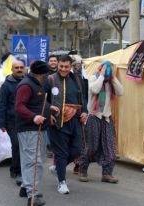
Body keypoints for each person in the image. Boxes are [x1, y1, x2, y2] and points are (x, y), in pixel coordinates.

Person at [16, 60, 59, 206]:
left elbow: (38, 102)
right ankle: (33, 195)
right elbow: (19, 106)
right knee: (34, 162)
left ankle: (25, 187)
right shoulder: (26, 85)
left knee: (29, 159)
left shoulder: (35, 83)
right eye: (47, 72)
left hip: (35, 129)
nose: (48, 75)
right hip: (30, 129)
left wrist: (50, 107)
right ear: (41, 74)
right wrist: (34, 117)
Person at [47, 55, 87, 194]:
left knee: (76, 150)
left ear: (70, 66)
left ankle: (58, 167)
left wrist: (85, 112)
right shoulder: (50, 79)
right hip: (57, 122)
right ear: (57, 65)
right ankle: (62, 182)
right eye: (61, 66)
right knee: (62, 153)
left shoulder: (76, 79)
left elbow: (83, 98)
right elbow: (42, 99)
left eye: (66, 67)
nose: (63, 69)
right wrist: (49, 112)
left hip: (75, 120)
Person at [78, 61, 123, 184]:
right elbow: (95, 89)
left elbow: (120, 92)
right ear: (100, 69)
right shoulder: (93, 78)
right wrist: (102, 75)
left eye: (110, 69)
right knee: (91, 147)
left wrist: (113, 77)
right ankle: (82, 169)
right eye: (107, 69)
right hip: (93, 117)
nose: (109, 71)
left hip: (106, 118)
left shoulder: (110, 83)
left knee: (110, 147)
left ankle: (107, 174)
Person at [0, 61, 25, 186]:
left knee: (21, 146)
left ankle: (15, 168)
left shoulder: (27, 82)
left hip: (25, 120)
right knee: (16, 144)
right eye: (16, 68)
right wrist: (1, 123)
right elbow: (2, 104)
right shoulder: (6, 85)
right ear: (12, 69)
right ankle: (17, 170)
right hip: (11, 121)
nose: (19, 69)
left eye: (21, 67)